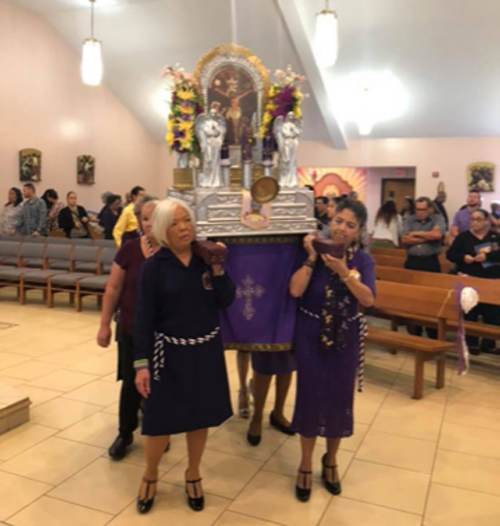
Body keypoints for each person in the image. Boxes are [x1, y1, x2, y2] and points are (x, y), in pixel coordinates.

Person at [133, 198, 234, 514]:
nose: (184, 227)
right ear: (163, 228)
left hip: (204, 351)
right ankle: (150, 474)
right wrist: (141, 364)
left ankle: (193, 473)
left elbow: (227, 300)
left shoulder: (206, 261)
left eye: (187, 220)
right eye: (175, 222)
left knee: (200, 416)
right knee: (159, 421)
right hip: (168, 355)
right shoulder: (154, 267)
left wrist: (218, 270)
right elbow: (143, 319)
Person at [289, 198, 375, 502]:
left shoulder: (362, 261)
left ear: (359, 231)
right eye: (338, 220)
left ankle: (331, 459)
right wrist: (312, 259)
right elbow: (296, 290)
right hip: (311, 333)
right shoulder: (313, 250)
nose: (341, 228)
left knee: (339, 399)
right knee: (310, 396)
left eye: (350, 225)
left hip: (345, 336)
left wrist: (343, 271)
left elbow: (368, 300)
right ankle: (305, 464)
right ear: (330, 220)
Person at [97, 196, 162, 460]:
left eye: (155, 218)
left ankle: (159, 429)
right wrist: (104, 324)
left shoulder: (174, 250)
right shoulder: (130, 249)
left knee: (160, 383)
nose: (150, 224)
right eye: (145, 218)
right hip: (132, 328)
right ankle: (125, 432)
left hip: (164, 332)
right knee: (130, 383)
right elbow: (113, 288)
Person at [446, 209, 500, 355]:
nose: (475, 222)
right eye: (472, 219)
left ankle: (489, 343)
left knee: (492, 312)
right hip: (470, 277)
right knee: (470, 311)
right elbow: (450, 254)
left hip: (491, 279)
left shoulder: (494, 236)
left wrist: (487, 257)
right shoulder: (463, 237)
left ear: (486, 221)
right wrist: (464, 257)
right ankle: (471, 343)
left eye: (478, 219)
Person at [401, 196, 446, 337]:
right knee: (412, 297)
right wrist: (426, 236)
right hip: (412, 262)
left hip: (430, 262)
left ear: (430, 209)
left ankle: (432, 331)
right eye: (417, 209)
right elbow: (404, 239)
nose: (420, 212)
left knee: (431, 298)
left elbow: (437, 235)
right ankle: (415, 331)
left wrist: (416, 233)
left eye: (423, 209)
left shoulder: (437, 219)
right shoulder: (409, 220)